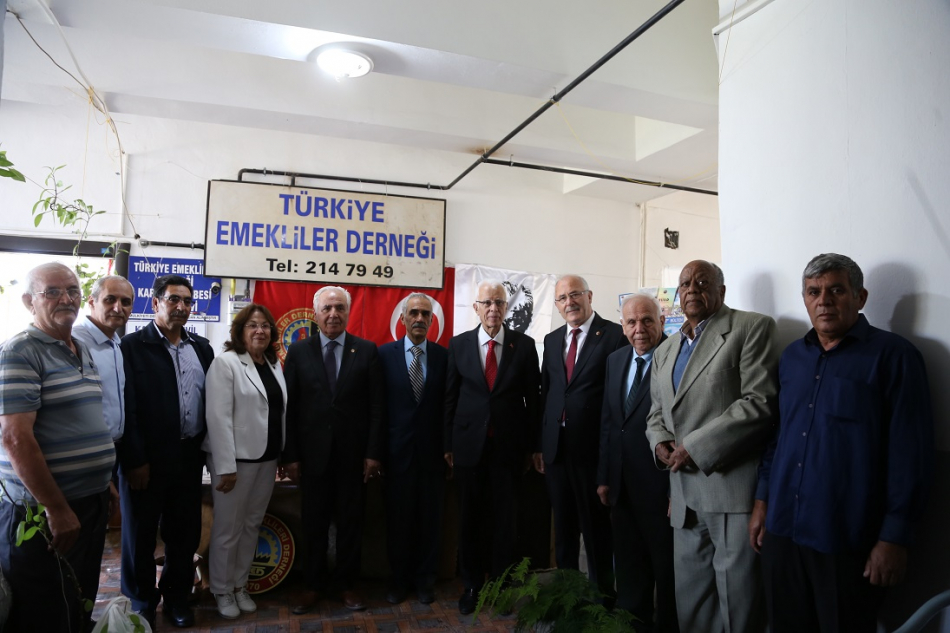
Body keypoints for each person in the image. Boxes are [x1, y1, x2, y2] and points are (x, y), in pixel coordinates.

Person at [750, 253, 933, 632]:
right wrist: (762, 502)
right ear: (804, 299)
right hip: (783, 531)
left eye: (836, 290)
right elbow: (778, 436)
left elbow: (910, 456)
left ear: (860, 297)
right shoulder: (793, 357)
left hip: (846, 539)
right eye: (813, 292)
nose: (824, 301)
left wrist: (894, 539)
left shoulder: (894, 357)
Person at [645, 260, 779, 633]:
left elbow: (758, 402)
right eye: (685, 283)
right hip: (682, 496)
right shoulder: (666, 349)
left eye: (702, 283)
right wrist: (659, 443)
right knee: (693, 605)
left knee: (739, 604)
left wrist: (694, 447)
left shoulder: (750, 328)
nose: (692, 289)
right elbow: (656, 413)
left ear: (721, 290)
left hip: (730, 493)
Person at [0, 262, 115, 632]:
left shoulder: (80, 349)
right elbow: (15, 438)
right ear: (29, 301)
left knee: (77, 598)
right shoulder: (20, 351)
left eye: (72, 290)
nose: (66, 299)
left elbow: (83, 420)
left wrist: (103, 482)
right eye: (52, 292)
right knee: (42, 610)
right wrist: (56, 508)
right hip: (41, 511)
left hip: (88, 501)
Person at [119, 274, 215, 628]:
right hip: (145, 461)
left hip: (188, 458)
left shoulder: (201, 348)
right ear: (156, 302)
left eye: (187, 301)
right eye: (174, 299)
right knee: (140, 537)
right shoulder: (131, 346)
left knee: (184, 534)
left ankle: (177, 598)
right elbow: (126, 408)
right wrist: (135, 460)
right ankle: (142, 601)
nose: (181, 307)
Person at [282, 286, 385, 613]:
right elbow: (289, 407)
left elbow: (376, 407)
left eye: (340, 307)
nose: (333, 314)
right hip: (312, 458)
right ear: (315, 313)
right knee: (313, 523)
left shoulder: (366, 351)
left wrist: (373, 453)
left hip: (353, 458)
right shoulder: (299, 351)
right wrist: (291, 455)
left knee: (351, 523)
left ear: (348, 312)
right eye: (327, 308)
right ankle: (313, 585)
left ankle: (346, 585)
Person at [444, 279, 541, 616]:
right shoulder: (458, 345)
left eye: (499, 302)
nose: (493, 309)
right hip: (468, 448)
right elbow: (450, 398)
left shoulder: (523, 346)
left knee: (505, 521)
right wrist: (447, 444)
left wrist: (533, 447)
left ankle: (500, 585)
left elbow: (534, 402)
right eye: (487, 303)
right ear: (476, 308)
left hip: (508, 450)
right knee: (469, 519)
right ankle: (472, 585)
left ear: (506, 307)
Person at [533, 274, 625, 597]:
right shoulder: (551, 340)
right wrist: (540, 445)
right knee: (564, 531)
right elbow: (548, 394)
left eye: (575, 294)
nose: (569, 302)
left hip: (592, 453)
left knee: (596, 532)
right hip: (556, 452)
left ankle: (602, 601)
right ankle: (568, 597)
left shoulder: (615, 336)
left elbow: (617, 403)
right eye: (562, 298)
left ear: (589, 296)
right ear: (557, 305)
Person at [597, 294, 677, 633]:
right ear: (622, 326)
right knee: (629, 568)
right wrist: (604, 476)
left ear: (662, 321)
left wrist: (677, 489)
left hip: (660, 487)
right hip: (622, 487)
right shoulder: (615, 360)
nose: (639, 329)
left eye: (647, 320)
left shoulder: (677, 357)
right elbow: (609, 423)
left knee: (666, 569)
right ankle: (633, 624)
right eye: (631, 322)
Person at [203, 304, 287, 620]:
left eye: (265, 325)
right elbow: (218, 418)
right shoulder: (226, 363)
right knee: (228, 528)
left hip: (266, 458)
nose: (259, 331)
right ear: (240, 330)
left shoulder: (273, 364)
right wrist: (225, 466)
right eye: (252, 325)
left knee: (251, 525)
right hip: (235, 462)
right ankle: (222, 589)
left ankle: (240, 585)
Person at [378, 293, 448, 605]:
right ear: (403, 318)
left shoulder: (445, 357)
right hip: (396, 456)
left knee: (430, 523)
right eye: (414, 313)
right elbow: (378, 408)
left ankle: (425, 581)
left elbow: (448, 407)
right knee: (398, 523)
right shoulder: (383, 355)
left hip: (433, 456)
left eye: (425, 314)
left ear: (432, 320)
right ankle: (398, 581)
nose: (419, 318)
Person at [72, 274, 135, 514]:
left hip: (112, 452)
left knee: (97, 526)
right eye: (110, 299)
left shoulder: (116, 343)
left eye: (126, 302)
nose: (118, 308)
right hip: (84, 455)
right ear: (92, 301)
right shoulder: (74, 342)